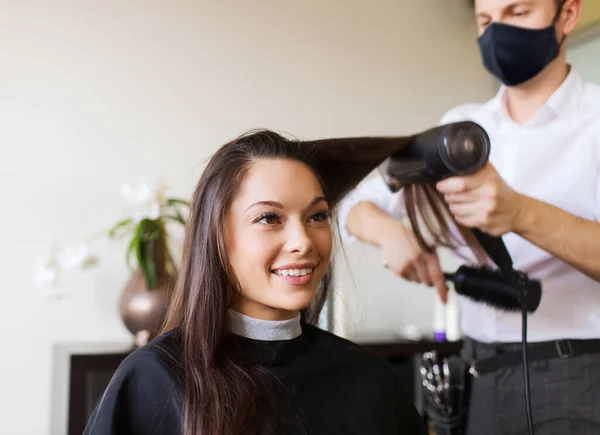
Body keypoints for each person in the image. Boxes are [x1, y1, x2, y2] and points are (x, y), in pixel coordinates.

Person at [338, 0, 600, 433]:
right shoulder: (460, 129)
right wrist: (388, 232)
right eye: (486, 20)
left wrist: (520, 213)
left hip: (577, 377)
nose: (498, 32)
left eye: (518, 13)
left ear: (568, 15)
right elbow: (352, 205)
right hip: (475, 379)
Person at [81, 129, 432, 435]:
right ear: (217, 235)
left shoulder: (368, 379)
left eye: (317, 216)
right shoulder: (154, 378)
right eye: (269, 218)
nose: (303, 241)